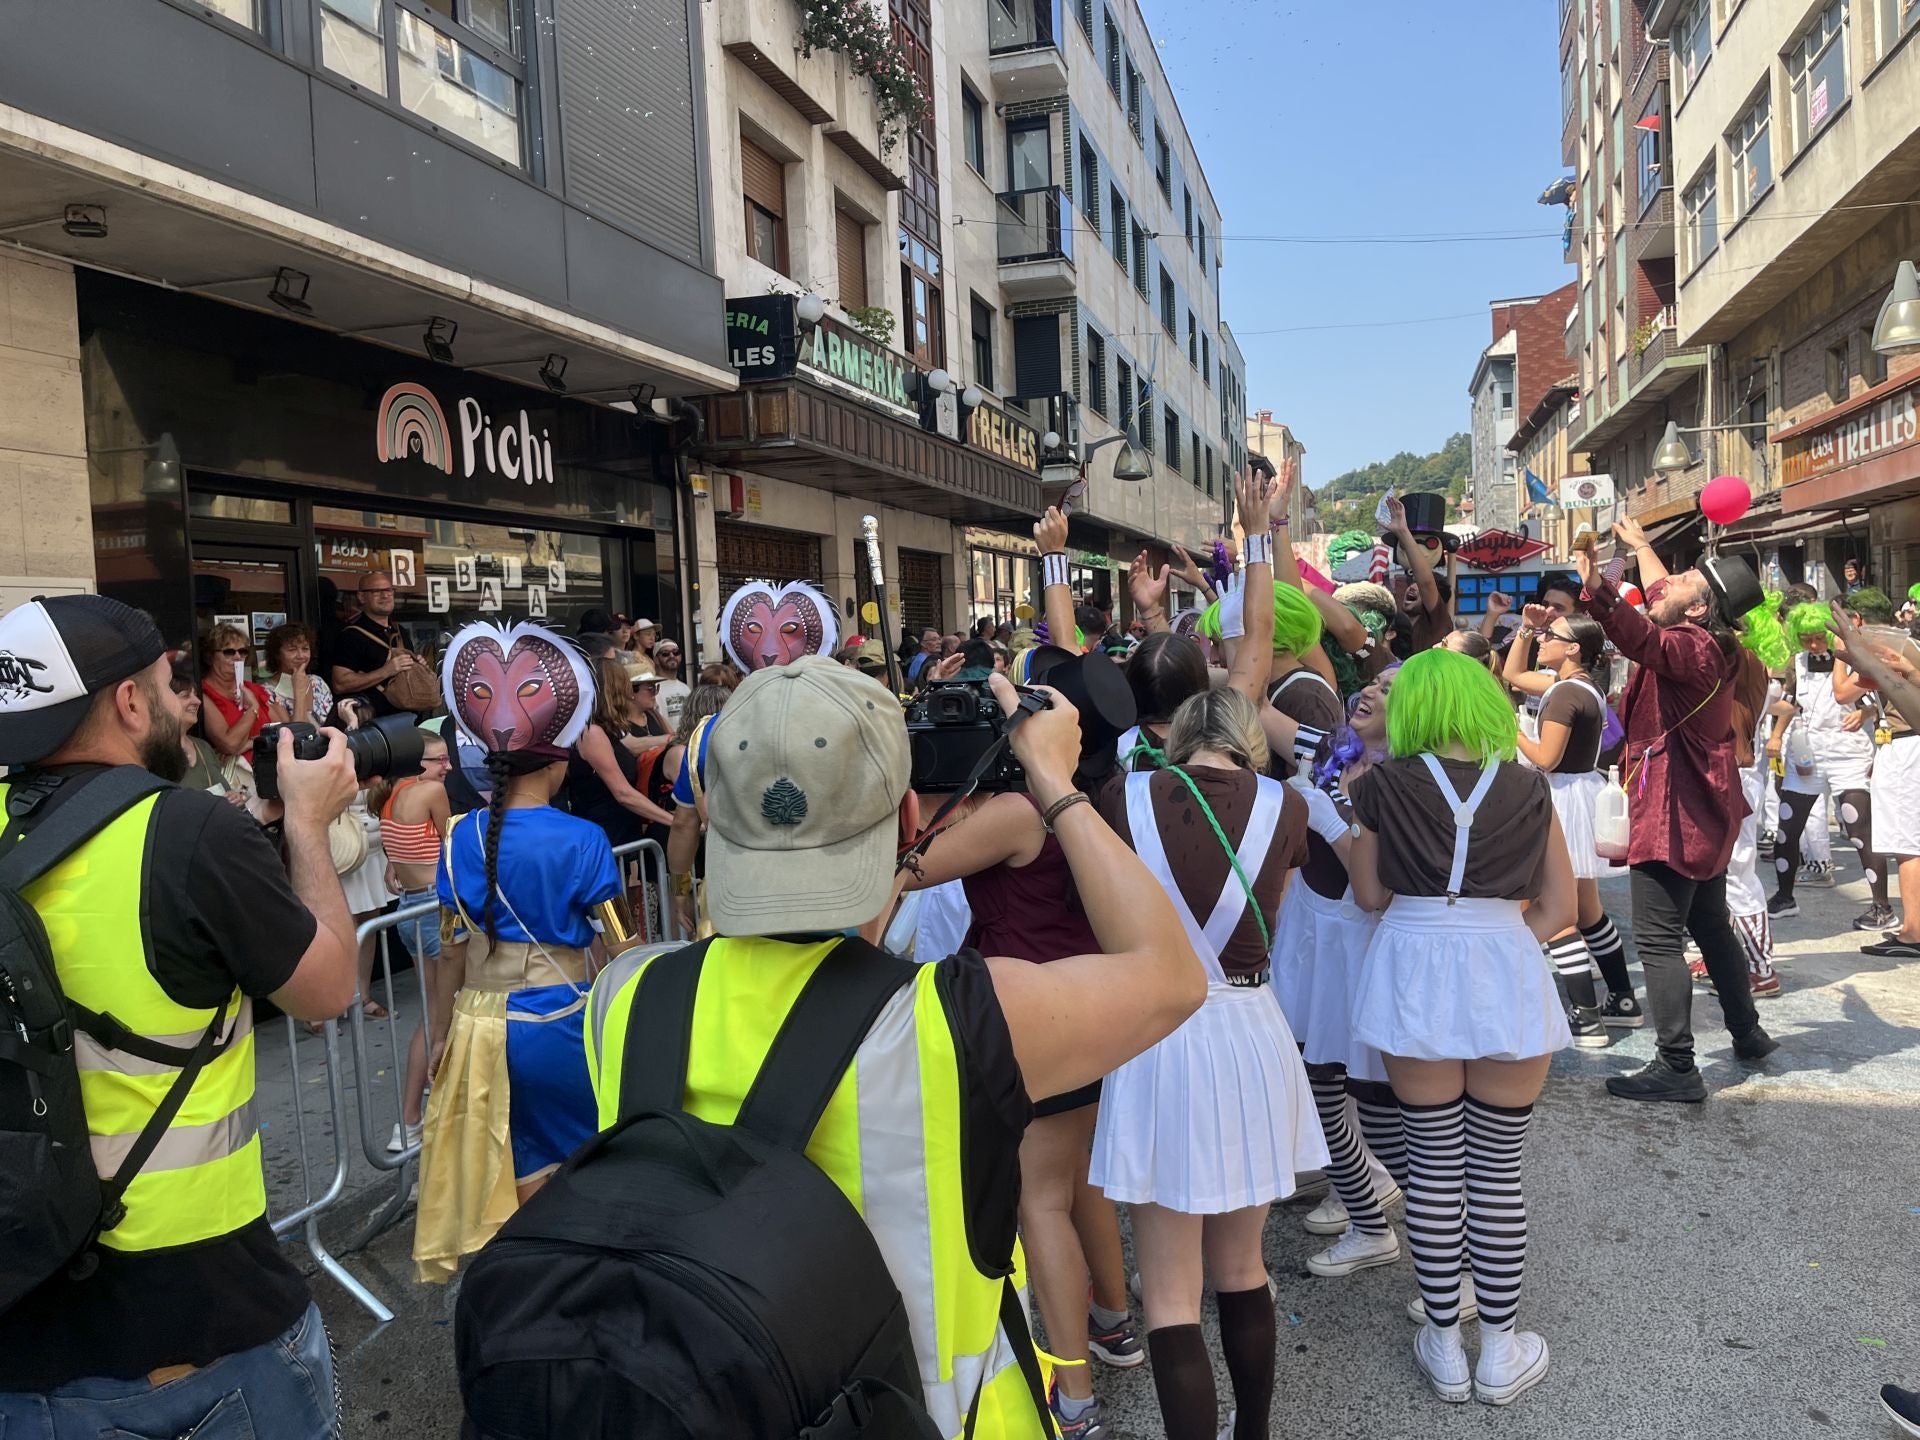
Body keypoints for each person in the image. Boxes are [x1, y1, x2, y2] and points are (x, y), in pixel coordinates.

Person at [582, 654, 1205, 1439]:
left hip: (708, 1403)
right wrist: (1054, 781)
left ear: (714, 813)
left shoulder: (624, 996)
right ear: (912, 820)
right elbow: (1172, 978)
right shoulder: (953, 1019)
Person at [0, 594, 360, 1436]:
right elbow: (328, 990)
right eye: (171, 685)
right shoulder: (186, 830)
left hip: (21, 1318)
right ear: (130, 702)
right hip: (201, 1320)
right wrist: (309, 825)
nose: (186, 704)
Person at [1092, 687, 1325, 1440]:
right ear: (1248, 738)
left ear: (1177, 736)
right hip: (1249, 1031)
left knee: (1168, 1294)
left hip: (1158, 1032)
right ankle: (1252, 1432)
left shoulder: (1122, 798)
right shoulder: (1287, 806)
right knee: (1242, 1265)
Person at [1347, 648, 1576, 1407]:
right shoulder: (1530, 786)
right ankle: (1501, 1350)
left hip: (1413, 960)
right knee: (1498, 1169)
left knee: (1435, 1164)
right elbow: (1560, 909)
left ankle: (1445, 1344)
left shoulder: (1381, 785)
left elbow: (1370, 895)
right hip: (1503, 960)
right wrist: (1497, 945)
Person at [415, 621, 631, 1284]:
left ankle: (524, 1281)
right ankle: (570, 1277)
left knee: (509, 1163)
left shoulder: (458, 835)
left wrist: (442, 1032)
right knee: (572, 1157)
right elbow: (621, 944)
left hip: (480, 1026)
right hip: (559, 1021)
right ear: (559, 762)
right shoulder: (583, 839)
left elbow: (451, 950)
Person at [1573, 534, 1777, 1103]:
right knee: (1710, 922)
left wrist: (1599, 589)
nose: (1668, 582)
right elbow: (1660, 598)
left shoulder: (1691, 645)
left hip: (1675, 810)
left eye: (1686, 580)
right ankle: (1748, 1032)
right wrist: (1636, 547)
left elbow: (1641, 637)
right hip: (1703, 806)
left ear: (1700, 607)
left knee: (1660, 940)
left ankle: (1677, 1065)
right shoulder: (1712, 639)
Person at [1271, 670, 1409, 1284]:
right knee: (1317, 1096)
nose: (1370, 691)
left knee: (1382, 1110)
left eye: (1390, 689)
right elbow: (1250, 699)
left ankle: (1451, 1246)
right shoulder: (1330, 748)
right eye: (1373, 681)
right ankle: (1369, 1222)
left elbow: (1374, 888)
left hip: (1360, 947)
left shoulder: (1410, 779)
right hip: (1310, 937)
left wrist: (1329, 819)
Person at [1499, 606, 1642, 1041]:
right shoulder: (1578, 686)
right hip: (1579, 795)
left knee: (1554, 909)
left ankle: (1586, 1015)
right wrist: (1526, 629)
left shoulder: (1563, 694)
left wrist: (1511, 729)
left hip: (1561, 798)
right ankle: (1622, 998)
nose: (1543, 641)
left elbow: (1545, 758)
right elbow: (1513, 675)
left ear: (1573, 649)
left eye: (1551, 636)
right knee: (1588, 910)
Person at [1766, 602, 1886, 926]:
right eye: (1806, 639)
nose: (1815, 645)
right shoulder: (1798, 662)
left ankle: (1881, 906)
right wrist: (1771, 722)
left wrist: (1865, 713)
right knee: (1788, 829)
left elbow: (1879, 697)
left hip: (1848, 752)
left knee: (1859, 829)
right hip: (1807, 754)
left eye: (1819, 638)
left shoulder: (1853, 659)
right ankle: (1784, 896)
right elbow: (1791, 703)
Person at [374, 730, 454, 1153]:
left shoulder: (390, 796)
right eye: (438, 760)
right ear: (414, 763)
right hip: (435, 910)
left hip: (410, 909)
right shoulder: (430, 792)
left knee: (434, 1013)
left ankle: (415, 1118)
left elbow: (401, 858)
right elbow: (454, 848)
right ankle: (411, 1120)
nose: (447, 767)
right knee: (441, 1017)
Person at [566, 655, 674, 851]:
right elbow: (623, 793)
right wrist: (675, 822)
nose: (630, 695)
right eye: (626, 688)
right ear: (614, 691)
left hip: (623, 836)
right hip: (606, 838)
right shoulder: (592, 733)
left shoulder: (609, 731)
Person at [331, 570, 421, 718]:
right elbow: (340, 684)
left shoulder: (400, 631)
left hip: (409, 718)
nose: (385, 595)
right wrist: (387, 670)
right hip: (373, 724)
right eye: (376, 591)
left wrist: (417, 665)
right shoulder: (350, 636)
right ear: (361, 597)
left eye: (389, 590)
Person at [198, 621, 286, 758]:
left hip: (271, 764)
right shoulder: (204, 694)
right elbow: (230, 745)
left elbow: (283, 731)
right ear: (210, 657)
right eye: (229, 652)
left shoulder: (253, 689)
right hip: (241, 770)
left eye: (243, 652)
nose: (238, 657)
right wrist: (253, 708)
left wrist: (250, 743)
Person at [1387, 497, 1453, 653]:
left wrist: (1403, 531)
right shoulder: (1393, 626)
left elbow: (1427, 583)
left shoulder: (1438, 623)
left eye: (1419, 587)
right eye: (1412, 583)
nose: (1412, 588)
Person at [168, 650, 238, 796]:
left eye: (195, 695)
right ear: (165, 702)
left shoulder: (203, 746)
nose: (197, 701)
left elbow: (223, 789)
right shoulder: (155, 752)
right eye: (186, 696)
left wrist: (233, 796)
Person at [265, 621, 334, 727]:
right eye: (292, 650)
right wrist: (299, 692)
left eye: (305, 649)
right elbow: (298, 733)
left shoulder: (318, 683)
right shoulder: (267, 692)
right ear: (277, 654)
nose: (301, 656)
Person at [653, 637, 691, 727]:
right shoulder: (652, 688)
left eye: (676, 652)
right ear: (656, 660)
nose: (672, 656)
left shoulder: (686, 688)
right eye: (665, 654)